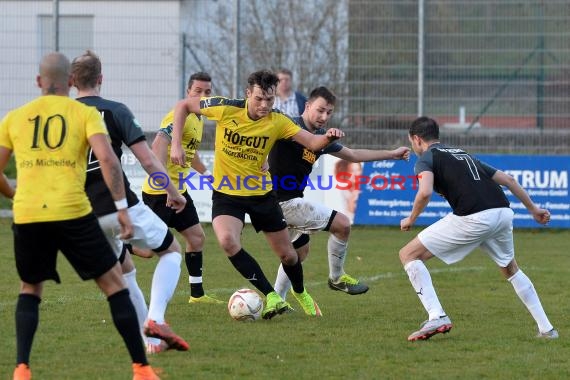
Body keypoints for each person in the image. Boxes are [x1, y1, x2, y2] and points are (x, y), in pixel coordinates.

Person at [0, 52, 159, 380]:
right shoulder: (82, 113)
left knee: (30, 289)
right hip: (73, 211)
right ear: (70, 82)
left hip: (30, 214)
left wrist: (15, 194)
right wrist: (121, 208)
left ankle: (21, 368)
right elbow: (108, 160)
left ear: (38, 82)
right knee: (115, 285)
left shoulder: (15, 117)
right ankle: (142, 369)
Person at [169, 70, 344, 318]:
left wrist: (327, 137)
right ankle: (271, 295)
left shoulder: (278, 121)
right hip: (227, 195)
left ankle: (301, 292)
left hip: (262, 195)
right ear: (248, 94)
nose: (264, 105)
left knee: (288, 255)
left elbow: (312, 143)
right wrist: (176, 143)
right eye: (259, 98)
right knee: (228, 242)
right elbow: (183, 106)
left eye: (270, 100)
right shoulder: (224, 108)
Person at [71, 50, 189, 354]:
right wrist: (173, 193)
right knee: (172, 250)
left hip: (82, 213)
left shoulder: (64, 115)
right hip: (118, 203)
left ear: (72, 81)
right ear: (101, 79)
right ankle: (156, 320)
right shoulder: (115, 111)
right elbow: (148, 160)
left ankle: (150, 342)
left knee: (125, 269)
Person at [399, 116, 558, 341]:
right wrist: (533, 209)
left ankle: (437, 316)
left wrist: (411, 218)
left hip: (475, 217)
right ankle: (547, 329)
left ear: (416, 139)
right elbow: (509, 180)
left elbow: (424, 192)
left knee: (408, 254)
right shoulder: (463, 153)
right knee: (510, 269)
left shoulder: (426, 159)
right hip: (502, 213)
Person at [269, 86, 410, 300]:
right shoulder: (288, 125)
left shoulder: (321, 140)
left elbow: (353, 154)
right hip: (279, 202)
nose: (324, 116)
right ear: (307, 106)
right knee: (342, 225)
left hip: (289, 201)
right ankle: (337, 278)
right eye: (320, 110)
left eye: (329, 112)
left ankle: (277, 299)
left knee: (299, 251)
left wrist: (392, 154)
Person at [139, 71, 222, 305]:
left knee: (196, 238)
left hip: (179, 192)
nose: (202, 96)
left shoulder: (198, 117)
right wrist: (168, 189)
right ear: (188, 92)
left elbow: (189, 151)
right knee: (147, 251)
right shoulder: (178, 116)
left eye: (207, 92)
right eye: (198, 91)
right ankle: (119, 244)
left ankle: (196, 295)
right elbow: (158, 145)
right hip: (160, 194)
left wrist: (206, 174)